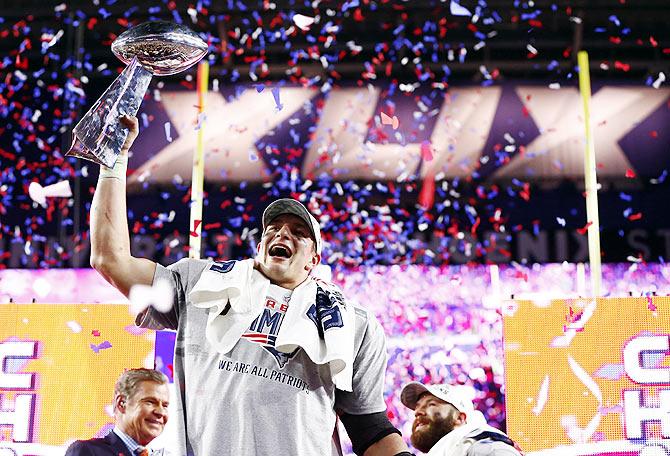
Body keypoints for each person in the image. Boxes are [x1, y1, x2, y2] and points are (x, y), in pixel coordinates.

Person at [89, 114, 410, 456]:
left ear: (313, 261)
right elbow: (111, 260)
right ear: (259, 247)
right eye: (273, 228)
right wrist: (114, 161)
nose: (282, 233)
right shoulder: (200, 284)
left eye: (299, 233)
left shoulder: (354, 325)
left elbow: (369, 429)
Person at [65, 368, 169, 456]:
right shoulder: (88, 451)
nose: (161, 412)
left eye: (165, 405)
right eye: (150, 402)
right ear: (122, 403)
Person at [400, 382, 522, 455]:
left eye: (431, 405)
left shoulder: (480, 447)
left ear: (459, 418)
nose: (417, 412)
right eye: (417, 407)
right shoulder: (451, 450)